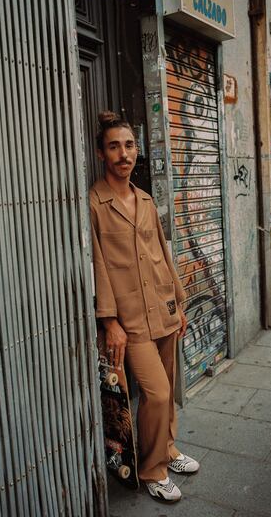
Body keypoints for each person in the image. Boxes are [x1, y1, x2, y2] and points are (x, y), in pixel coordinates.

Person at [89, 111, 200, 503]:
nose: (124, 154)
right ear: (102, 153)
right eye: (115, 146)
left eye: (129, 145)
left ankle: (167, 449)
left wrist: (180, 302)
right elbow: (97, 264)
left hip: (163, 309)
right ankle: (151, 469)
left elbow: (162, 255)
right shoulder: (94, 203)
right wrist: (109, 322)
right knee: (154, 392)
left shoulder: (146, 200)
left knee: (168, 391)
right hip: (130, 320)